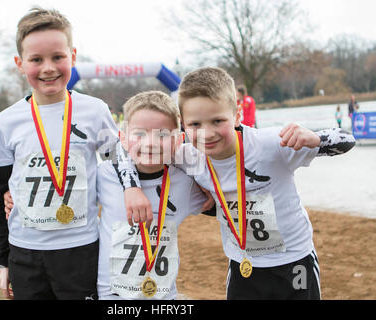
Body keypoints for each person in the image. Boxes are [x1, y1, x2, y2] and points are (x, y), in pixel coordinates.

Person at [128, 67, 356, 299]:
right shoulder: (186, 155)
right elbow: (122, 152)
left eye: (217, 121)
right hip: (243, 266)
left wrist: (316, 138)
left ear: (237, 115)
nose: (207, 134)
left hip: (294, 262)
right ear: (183, 124)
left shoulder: (271, 144)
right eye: (195, 124)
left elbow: (347, 139)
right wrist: (131, 188)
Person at [0, 7, 140, 300]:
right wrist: (1, 261)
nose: (48, 68)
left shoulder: (94, 110)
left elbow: (120, 163)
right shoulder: (6, 121)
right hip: (25, 252)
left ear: (73, 56)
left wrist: (134, 188)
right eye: (36, 60)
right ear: (20, 63)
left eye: (57, 57)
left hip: (80, 249)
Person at [97, 91, 214, 300]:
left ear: (178, 141)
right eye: (139, 134)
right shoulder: (105, 174)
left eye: (162, 135)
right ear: (122, 138)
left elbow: (228, 194)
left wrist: (212, 186)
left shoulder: (186, 182)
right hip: (111, 296)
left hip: (163, 296)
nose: (150, 143)